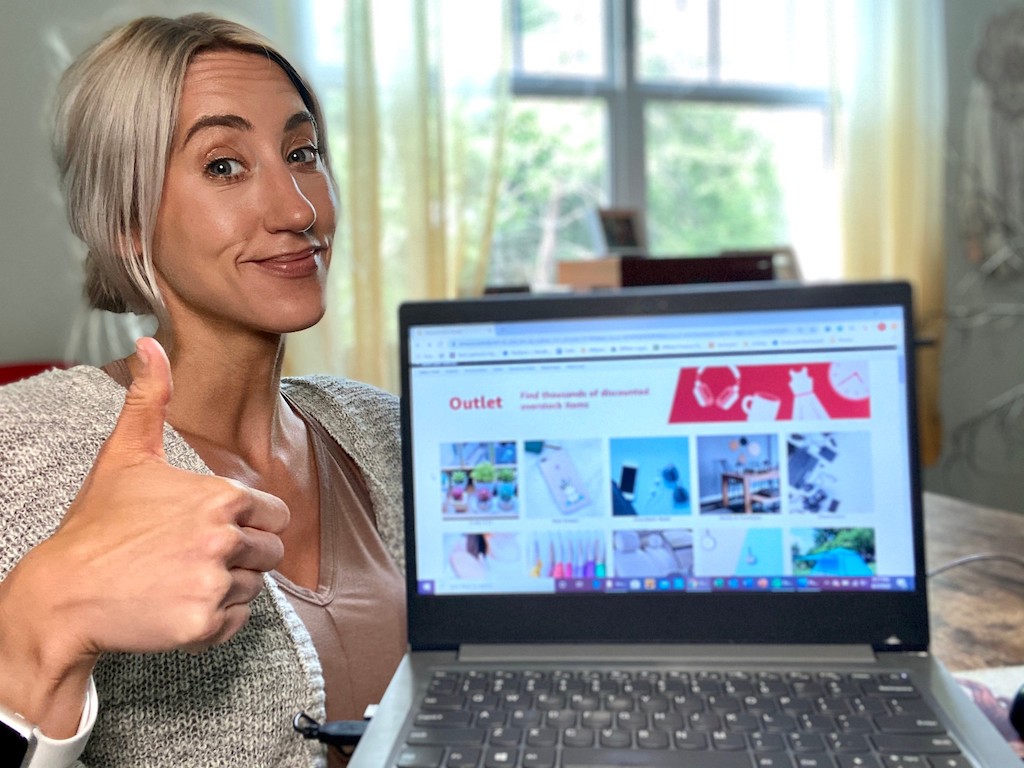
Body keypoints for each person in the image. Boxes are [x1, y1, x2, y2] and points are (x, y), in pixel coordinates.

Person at [0, 13, 407, 767]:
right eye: (224, 166)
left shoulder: (388, 431)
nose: (300, 211)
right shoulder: (17, 452)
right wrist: (44, 614)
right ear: (127, 220)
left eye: (302, 152)